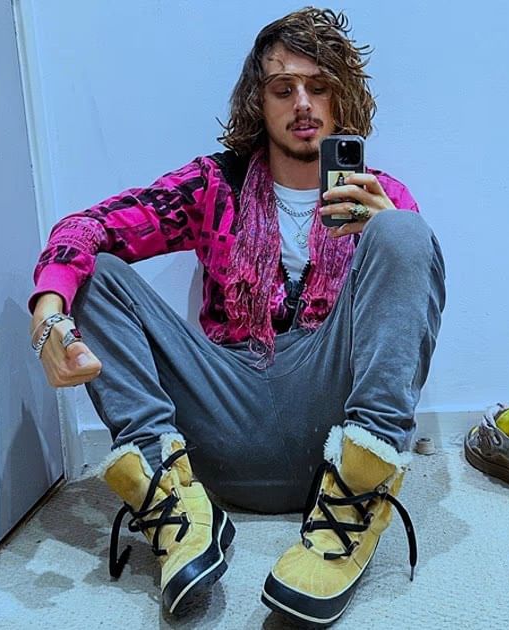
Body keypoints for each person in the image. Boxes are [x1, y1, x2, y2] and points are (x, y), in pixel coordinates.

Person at [29, 7, 445, 627]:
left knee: (407, 233)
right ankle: (172, 499)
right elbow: (87, 226)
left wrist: (387, 229)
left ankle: (354, 503)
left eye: (319, 86)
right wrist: (48, 312)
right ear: (259, 100)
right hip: (220, 416)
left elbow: (406, 301)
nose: (302, 103)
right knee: (95, 271)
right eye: (283, 88)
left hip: (331, 429)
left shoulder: (379, 195)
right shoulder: (214, 185)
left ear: (342, 98)